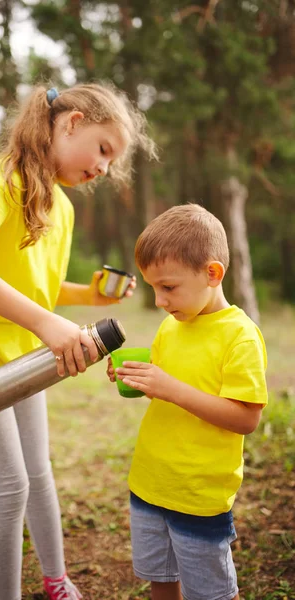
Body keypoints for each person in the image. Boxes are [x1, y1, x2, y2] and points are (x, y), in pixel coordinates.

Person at [0, 82, 157, 600]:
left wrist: (90, 297)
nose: (103, 169)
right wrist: (46, 324)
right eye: (103, 149)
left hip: (24, 350)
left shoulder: (64, 206)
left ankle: (56, 580)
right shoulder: (1, 181)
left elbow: (37, 285)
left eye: (112, 162)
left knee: (40, 472)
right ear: (72, 122)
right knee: (10, 489)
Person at [107, 204, 268, 600]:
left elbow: (246, 419)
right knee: (160, 577)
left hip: (198, 495)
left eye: (168, 287)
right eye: (152, 288)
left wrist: (170, 388)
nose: (159, 300)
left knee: (209, 591)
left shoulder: (240, 337)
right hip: (149, 484)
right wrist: (137, 379)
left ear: (212, 274)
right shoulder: (171, 326)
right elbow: (166, 386)